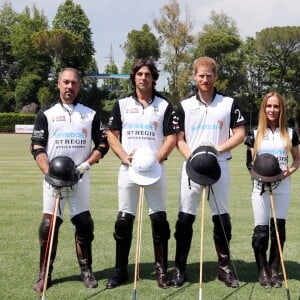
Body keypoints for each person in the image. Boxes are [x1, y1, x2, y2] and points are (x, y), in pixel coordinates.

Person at [30, 67, 109, 293]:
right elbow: (37, 147)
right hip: (53, 180)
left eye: (74, 83)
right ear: (58, 84)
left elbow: (102, 145)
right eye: (65, 82)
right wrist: (49, 172)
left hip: (80, 178)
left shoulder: (90, 114)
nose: (69, 87)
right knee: (49, 226)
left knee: (84, 224)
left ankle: (86, 270)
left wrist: (86, 165)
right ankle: (45, 272)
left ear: (78, 86)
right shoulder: (45, 114)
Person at [171, 56, 246, 288]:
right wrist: (192, 157)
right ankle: (179, 269)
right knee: (185, 217)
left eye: (209, 75)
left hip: (220, 164)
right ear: (194, 76)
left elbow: (240, 133)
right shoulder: (184, 106)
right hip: (191, 166)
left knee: (221, 217)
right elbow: (179, 138)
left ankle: (224, 269)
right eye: (201, 75)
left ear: (215, 76)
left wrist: (217, 149)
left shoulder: (228, 103)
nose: (205, 79)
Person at [106, 58, 179, 289]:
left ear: (154, 77)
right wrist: (124, 156)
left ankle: (161, 271)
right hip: (128, 171)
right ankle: (120, 271)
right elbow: (111, 134)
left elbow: (172, 138)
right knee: (124, 220)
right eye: (139, 74)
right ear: (134, 77)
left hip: (155, 171)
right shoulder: (121, 104)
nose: (143, 78)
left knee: (159, 220)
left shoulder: (164, 106)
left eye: (148, 74)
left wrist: (155, 160)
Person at [244, 91, 300, 288]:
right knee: (261, 231)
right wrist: (260, 175)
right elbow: (250, 164)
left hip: (282, 187)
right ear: (263, 108)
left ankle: (274, 269)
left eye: (276, 106)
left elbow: (297, 159)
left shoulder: (291, 133)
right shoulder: (255, 133)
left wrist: (288, 172)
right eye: (269, 106)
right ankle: (262, 270)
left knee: (279, 229)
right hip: (260, 187)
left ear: (281, 109)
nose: (272, 110)